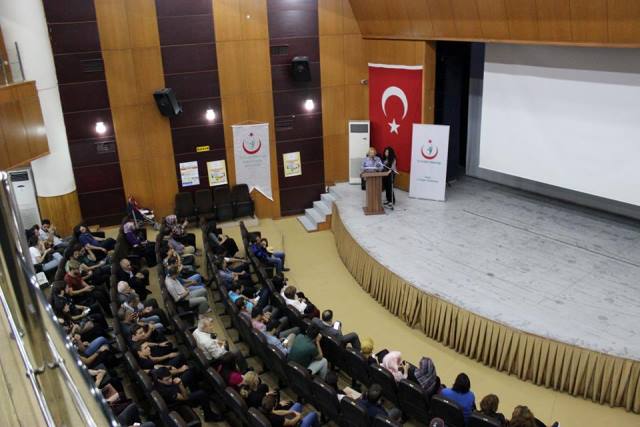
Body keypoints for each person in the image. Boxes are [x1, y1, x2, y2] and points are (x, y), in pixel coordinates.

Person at [152, 367, 221, 422]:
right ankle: (209, 416)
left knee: (190, 372)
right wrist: (180, 384)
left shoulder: (157, 376)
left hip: (174, 387)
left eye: (170, 377)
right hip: (177, 402)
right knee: (202, 393)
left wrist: (176, 369)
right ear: (159, 380)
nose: (170, 380)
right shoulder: (167, 391)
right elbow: (185, 398)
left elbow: (167, 374)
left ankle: (196, 400)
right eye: (167, 380)